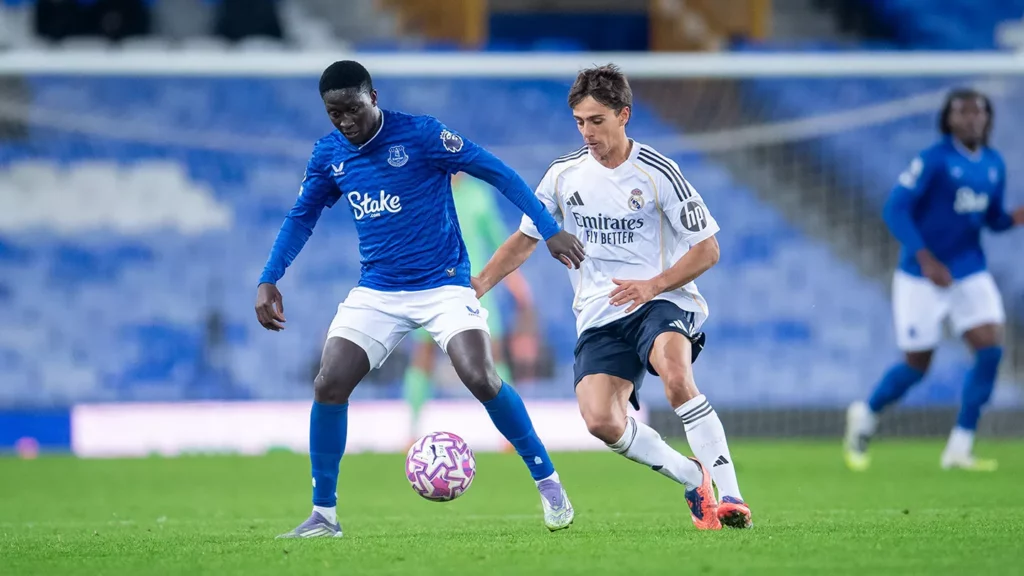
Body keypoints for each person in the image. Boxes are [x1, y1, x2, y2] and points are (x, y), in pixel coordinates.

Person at [255, 60, 585, 538]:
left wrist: (550, 231)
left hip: (444, 285)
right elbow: (301, 217)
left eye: (352, 110)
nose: (344, 122)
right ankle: (323, 516)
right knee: (329, 383)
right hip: (379, 291)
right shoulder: (329, 155)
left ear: (372, 96)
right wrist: (270, 277)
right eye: (334, 114)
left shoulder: (422, 135)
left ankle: (549, 484)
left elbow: (498, 172)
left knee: (480, 376)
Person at [473, 64, 752, 530]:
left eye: (597, 121)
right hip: (600, 314)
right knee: (601, 419)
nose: (587, 132)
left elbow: (708, 249)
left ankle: (732, 496)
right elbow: (524, 239)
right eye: (580, 121)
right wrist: (479, 285)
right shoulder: (563, 176)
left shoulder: (659, 171)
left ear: (624, 115)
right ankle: (691, 476)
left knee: (675, 373)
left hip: (661, 301)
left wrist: (653, 285)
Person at [845, 88, 1024, 472]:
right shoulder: (933, 160)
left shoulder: (993, 163)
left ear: (988, 119)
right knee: (917, 365)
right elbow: (896, 207)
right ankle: (868, 413)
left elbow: (991, 219)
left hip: (969, 269)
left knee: (990, 351)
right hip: (920, 276)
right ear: (949, 120)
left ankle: (960, 446)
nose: (972, 119)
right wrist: (925, 258)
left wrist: (1015, 217)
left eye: (979, 112)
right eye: (963, 113)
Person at [402, 173, 536, 440]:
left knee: (493, 357)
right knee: (425, 355)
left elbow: (498, 241)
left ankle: (510, 434)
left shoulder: (478, 195)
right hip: (431, 285)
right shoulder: (422, 188)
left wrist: (517, 286)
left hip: (474, 285)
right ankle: (412, 429)